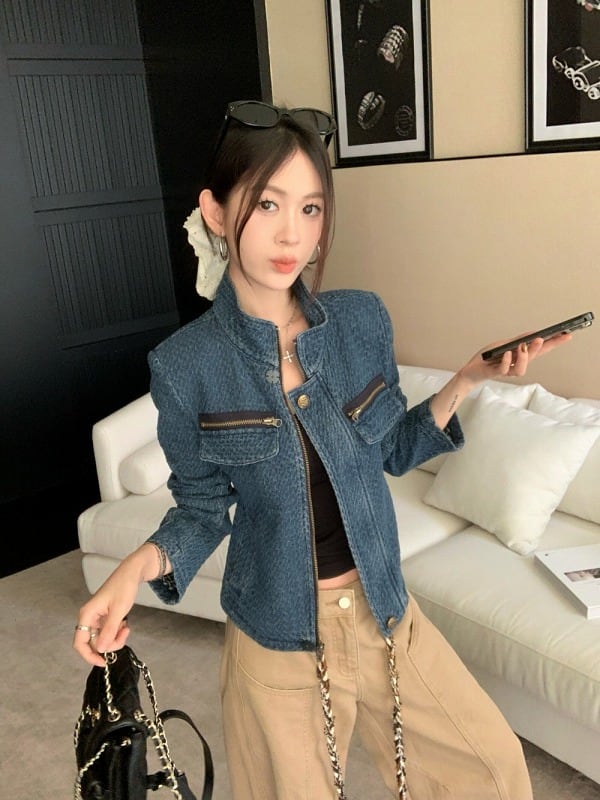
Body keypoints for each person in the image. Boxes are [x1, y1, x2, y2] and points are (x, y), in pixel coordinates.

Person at [74, 99, 572, 800]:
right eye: (267, 204)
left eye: (310, 209)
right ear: (214, 211)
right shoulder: (186, 365)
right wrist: (129, 571)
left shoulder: (361, 321)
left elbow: (393, 448)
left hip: (384, 611)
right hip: (277, 636)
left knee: (491, 771)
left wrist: (467, 380)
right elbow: (201, 510)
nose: (293, 234)